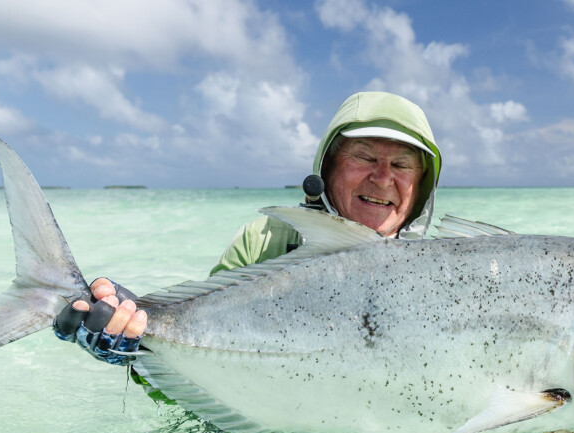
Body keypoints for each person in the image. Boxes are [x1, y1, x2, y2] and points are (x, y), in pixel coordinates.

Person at [54, 91, 442, 364]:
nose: (382, 177)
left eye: (402, 165)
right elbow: (193, 374)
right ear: (327, 166)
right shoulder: (263, 242)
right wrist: (138, 344)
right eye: (365, 157)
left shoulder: (445, 267)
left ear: (421, 183)